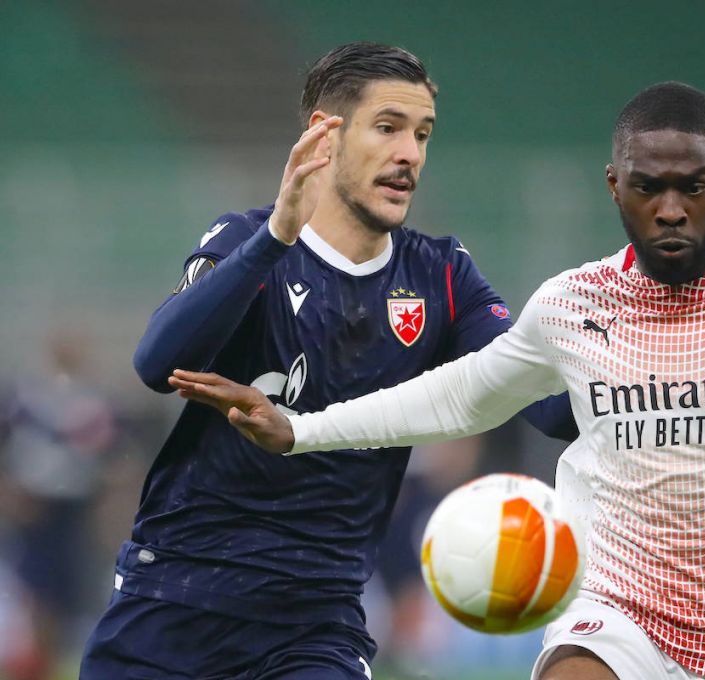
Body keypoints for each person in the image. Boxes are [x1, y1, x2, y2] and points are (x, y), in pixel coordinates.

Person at [170, 81, 705, 680]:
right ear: (617, 187)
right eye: (649, 188)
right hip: (616, 619)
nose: (672, 208)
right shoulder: (575, 306)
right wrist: (304, 429)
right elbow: (462, 392)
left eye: (692, 187)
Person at [79, 42, 575, 679]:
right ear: (325, 135)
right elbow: (156, 365)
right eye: (388, 128)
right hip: (174, 601)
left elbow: (550, 409)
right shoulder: (246, 242)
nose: (409, 155)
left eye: (422, 135)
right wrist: (274, 238)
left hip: (314, 626)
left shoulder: (442, 276)